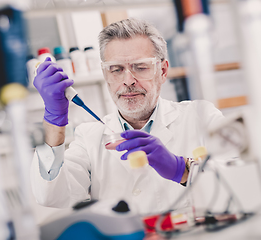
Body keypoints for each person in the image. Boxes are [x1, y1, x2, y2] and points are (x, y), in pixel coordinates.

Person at [30, 18, 224, 214]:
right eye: (116, 69)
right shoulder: (89, 137)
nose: (128, 81)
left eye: (140, 67)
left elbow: (242, 181)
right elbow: (52, 195)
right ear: (106, 74)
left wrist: (180, 169)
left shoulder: (201, 117)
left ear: (163, 71)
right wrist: (54, 119)